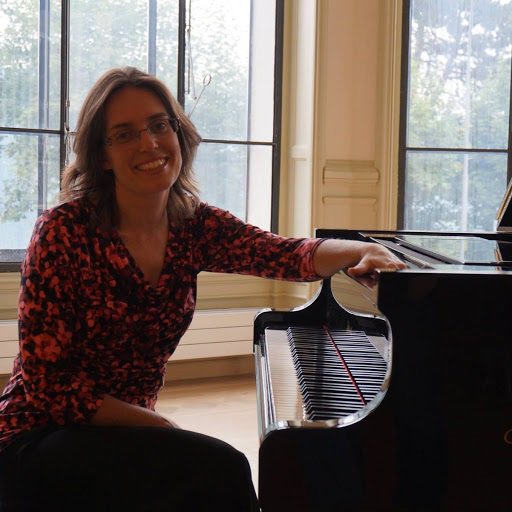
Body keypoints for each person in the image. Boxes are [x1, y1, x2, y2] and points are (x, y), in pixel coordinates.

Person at [0, 66, 406, 511]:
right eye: (125, 134)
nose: (149, 143)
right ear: (102, 156)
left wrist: (360, 250)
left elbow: (285, 254)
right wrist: (156, 425)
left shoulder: (192, 225)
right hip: (37, 435)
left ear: (179, 133)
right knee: (219, 468)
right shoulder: (63, 232)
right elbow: (48, 386)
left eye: (159, 125)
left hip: (123, 433)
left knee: (206, 473)